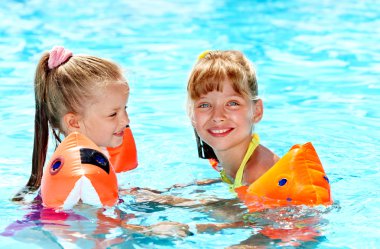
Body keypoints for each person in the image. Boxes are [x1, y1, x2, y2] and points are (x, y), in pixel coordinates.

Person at [10, 46, 191, 237]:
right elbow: (86, 222)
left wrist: (168, 196)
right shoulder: (81, 170)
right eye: (113, 114)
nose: (126, 121)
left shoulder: (91, 155)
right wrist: (145, 231)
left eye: (125, 109)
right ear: (74, 122)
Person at [187, 50, 332, 213]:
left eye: (232, 103)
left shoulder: (258, 171)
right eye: (204, 105)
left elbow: (262, 227)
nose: (218, 116)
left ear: (256, 111)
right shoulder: (228, 162)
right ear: (191, 115)